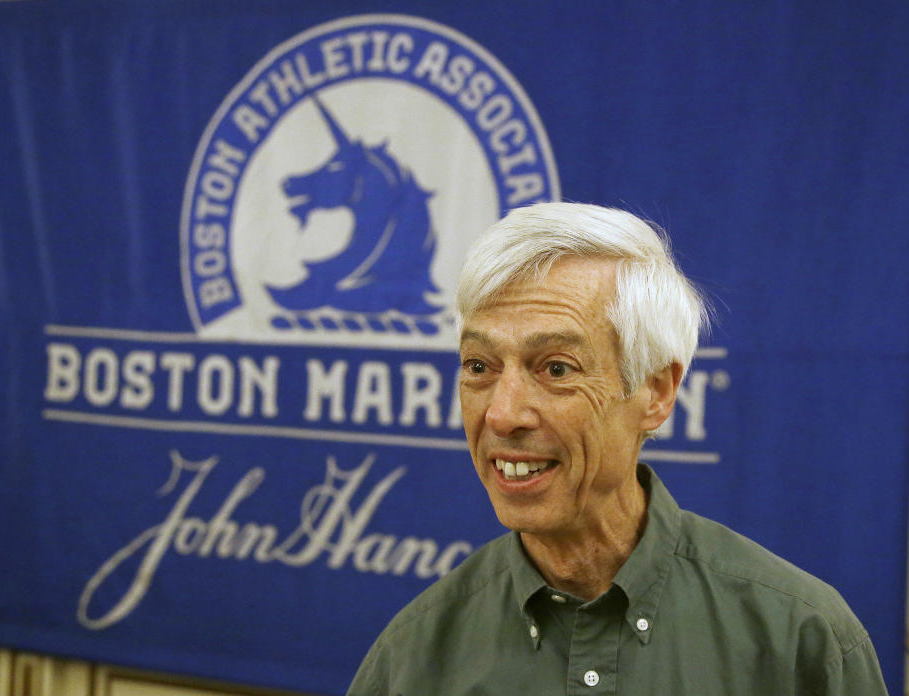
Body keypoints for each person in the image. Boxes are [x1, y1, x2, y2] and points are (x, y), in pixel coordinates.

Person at [347, 202, 887, 695]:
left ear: (655, 392)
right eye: (479, 367)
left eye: (556, 368)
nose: (503, 414)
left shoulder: (801, 639)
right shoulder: (412, 657)